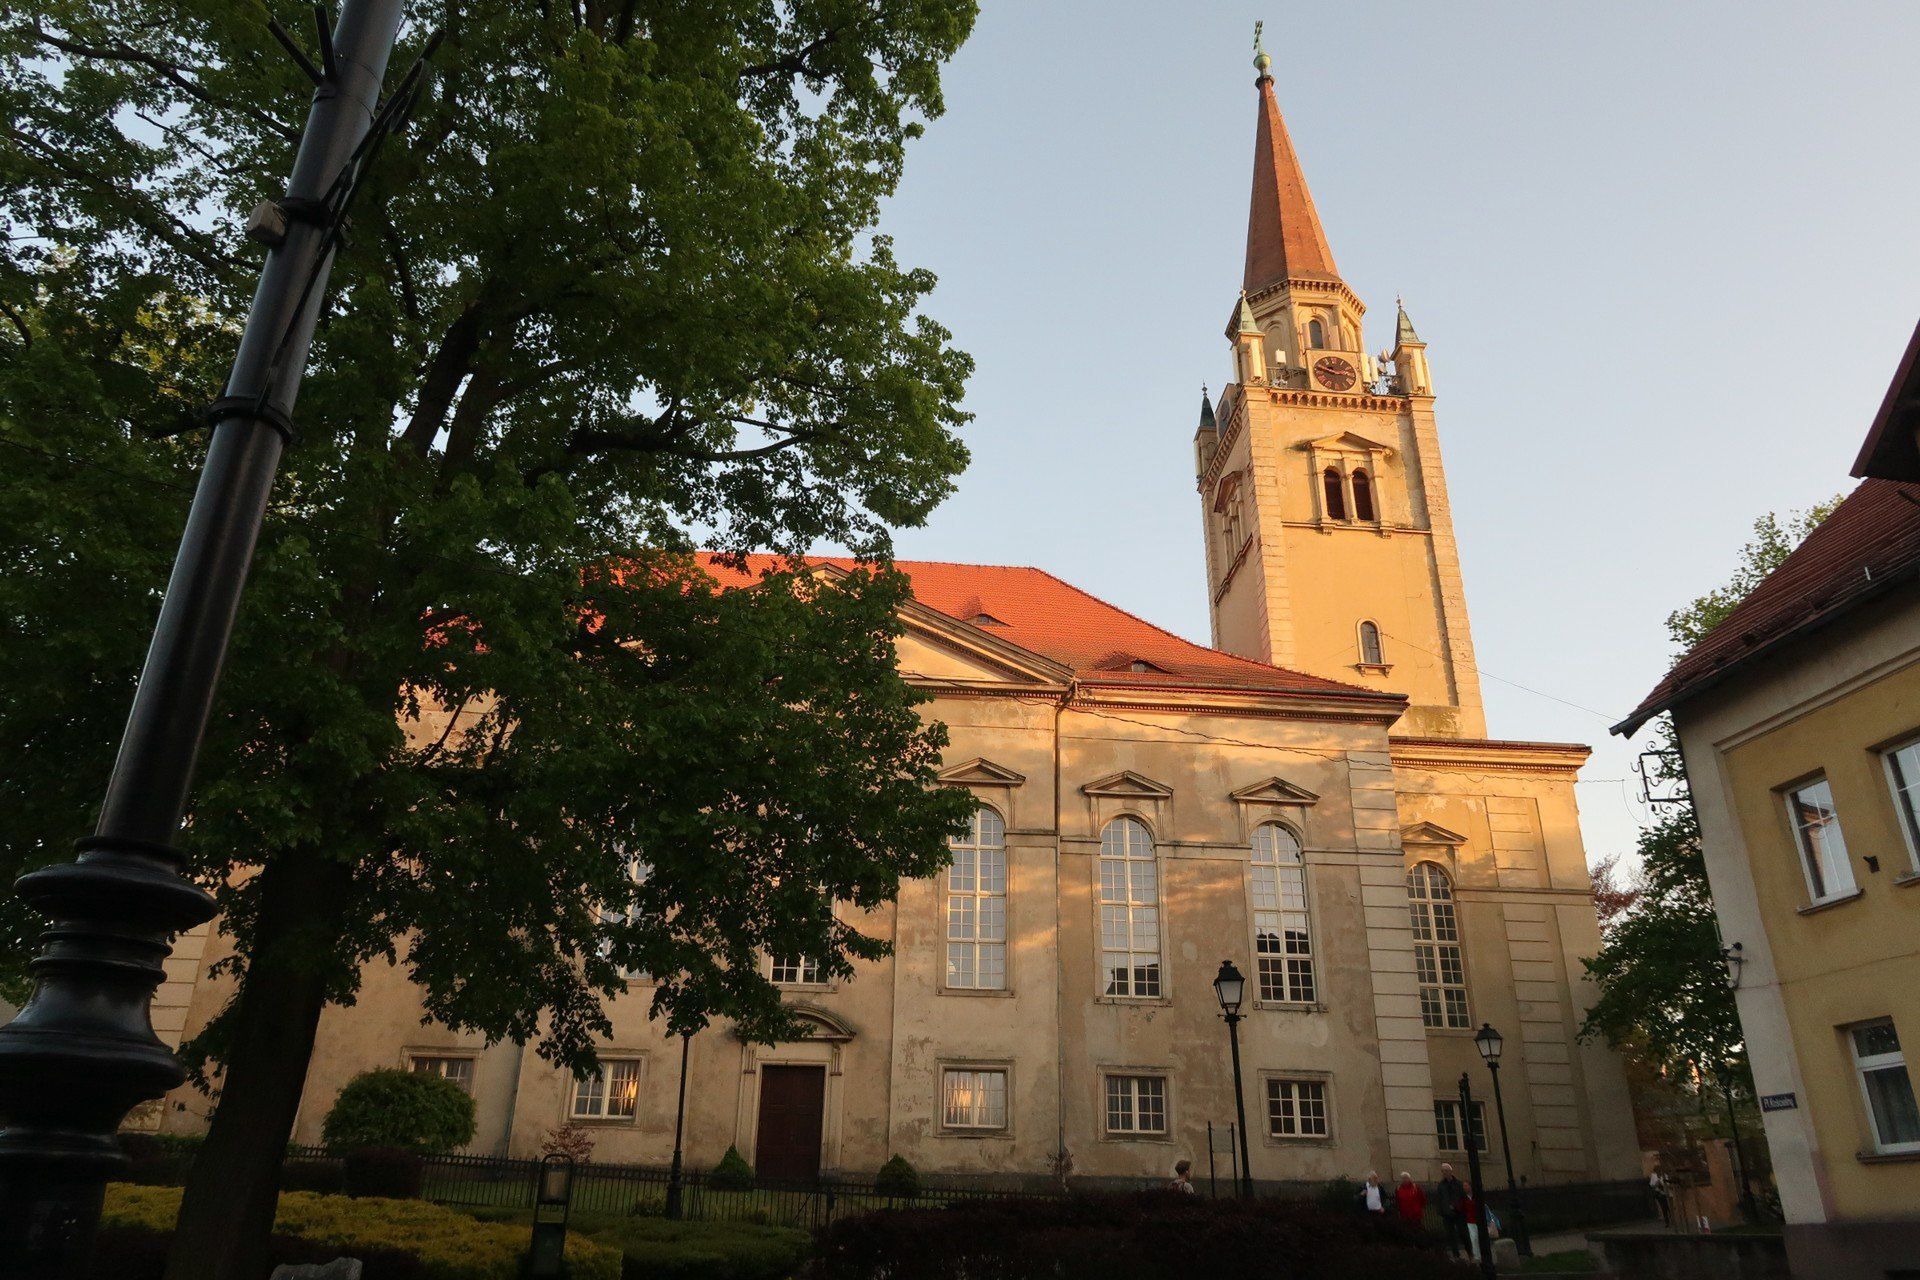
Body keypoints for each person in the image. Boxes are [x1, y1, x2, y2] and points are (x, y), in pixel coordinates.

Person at [1433, 1162, 1469, 1258]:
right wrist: (1442, 1211)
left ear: (1450, 1171)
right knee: (1450, 1235)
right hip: (1447, 1214)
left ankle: (1469, 1252)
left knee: (1463, 1233)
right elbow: (1439, 1199)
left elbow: (1463, 1197)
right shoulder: (1441, 1185)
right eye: (1442, 1171)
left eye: (1446, 1171)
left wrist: (1456, 1206)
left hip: (1459, 1213)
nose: (1444, 1173)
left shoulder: (1458, 1184)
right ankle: (1456, 1255)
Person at [1459, 1182, 1482, 1261]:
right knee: (1474, 1237)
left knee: (1479, 1237)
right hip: (1470, 1220)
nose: (1465, 1187)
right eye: (1464, 1186)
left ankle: (1481, 1254)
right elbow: (1462, 1208)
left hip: (1478, 1219)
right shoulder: (1463, 1198)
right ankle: (1477, 1255)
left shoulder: (1475, 1196)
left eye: (1466, 1185)